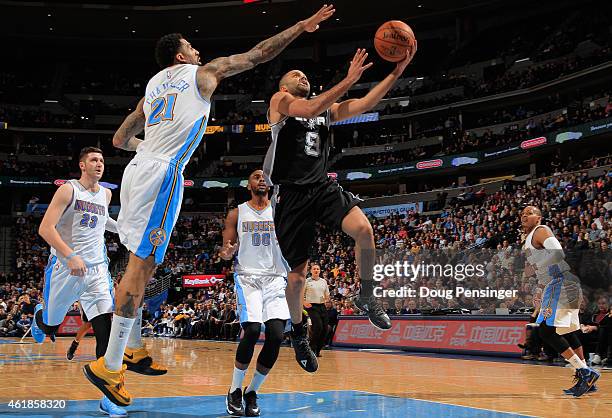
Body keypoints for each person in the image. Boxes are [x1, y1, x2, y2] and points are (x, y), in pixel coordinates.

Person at [83, 5, 336, 407]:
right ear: (180, 56)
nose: (197, 50)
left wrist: (147, 148)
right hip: (163, 173)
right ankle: (109, 366)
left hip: (136, 169)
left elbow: (118, 139)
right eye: (191, 46)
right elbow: (258, 55)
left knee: (138, 262)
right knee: (140, 268)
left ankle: (129, 348)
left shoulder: (152, 86)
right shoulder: (200, 74)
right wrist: (301, 27)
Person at [263, 42, 416, 372]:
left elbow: (363, 103)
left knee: (364, 229)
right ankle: (299, 333)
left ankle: (366, 294)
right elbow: (307, 108)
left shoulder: (325, 112)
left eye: (304, 74)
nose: (301, 75)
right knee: (296, 278)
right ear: (283, 86)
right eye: (295, 73)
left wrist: (396, 72)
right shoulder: (280, 103)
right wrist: (347, 79)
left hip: (321, 186)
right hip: (290, 194)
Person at [31, 147, 127, 417]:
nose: (99, 164)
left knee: (107, 331)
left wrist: (123, 229)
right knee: (51, 325)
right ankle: (41, 317)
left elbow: (101, 220)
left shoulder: (106, 194)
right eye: (94, 160)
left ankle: (109, 396)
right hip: (65, 268)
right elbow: (45, 228)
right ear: (82, 165)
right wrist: (70, 255)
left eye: (102, 161)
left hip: (97, 271)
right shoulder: (68, 190)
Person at [219, 169, 290, 417]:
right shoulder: (237, 212)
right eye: (256, 176)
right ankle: (234, 389)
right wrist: (228, 252)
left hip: (275, 278)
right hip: (248, 276)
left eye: (265, 176)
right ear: (248, 184)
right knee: (251, 330)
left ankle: (252, 391)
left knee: (276, 334)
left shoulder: (280, 211)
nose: (261, 179)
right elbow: (225, 250)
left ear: (270, 184)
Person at [521, 206, 601, 397]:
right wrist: (540, 288)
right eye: (522, 213)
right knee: (566, 331)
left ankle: (584, 372)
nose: (524, 215)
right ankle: (585, 377)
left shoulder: (541, 230)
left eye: (529, 213)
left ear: (538, 217)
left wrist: (536, 269)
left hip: (560, 282)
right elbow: (544, 268)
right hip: (559, 283)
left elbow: (558, 253)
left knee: (546, 331)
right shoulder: (530, 238)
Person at [303, 264, 330, 357]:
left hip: (322, 306)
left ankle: (318, 350)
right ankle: (311, 348)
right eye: (314, 269)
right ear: (311, 271)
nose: (316, 270)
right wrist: (304, 302)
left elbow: (327, 295)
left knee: (325, 329)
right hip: (311, 306)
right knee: (318, 326)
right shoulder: (307, 281)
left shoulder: (323, 281)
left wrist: (327, 299)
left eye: (318, 269)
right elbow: (301, 294)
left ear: (320, 271)